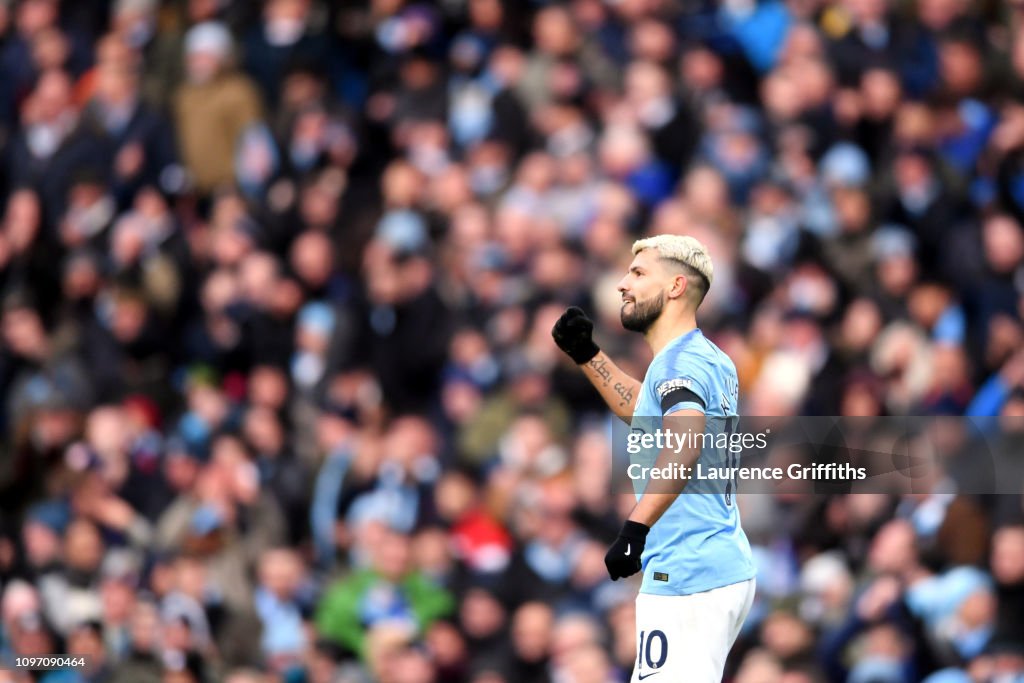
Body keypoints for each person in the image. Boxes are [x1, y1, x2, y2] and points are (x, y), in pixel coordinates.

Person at [551, 234, 756, 682]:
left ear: (676, 287)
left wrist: (635, 527)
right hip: (713, 563)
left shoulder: (679, 365)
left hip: (688, 573)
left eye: (639, 273)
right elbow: (645, 410)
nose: (623, 284)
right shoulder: (704, 358)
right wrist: (588, 355)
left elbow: (685, 441)